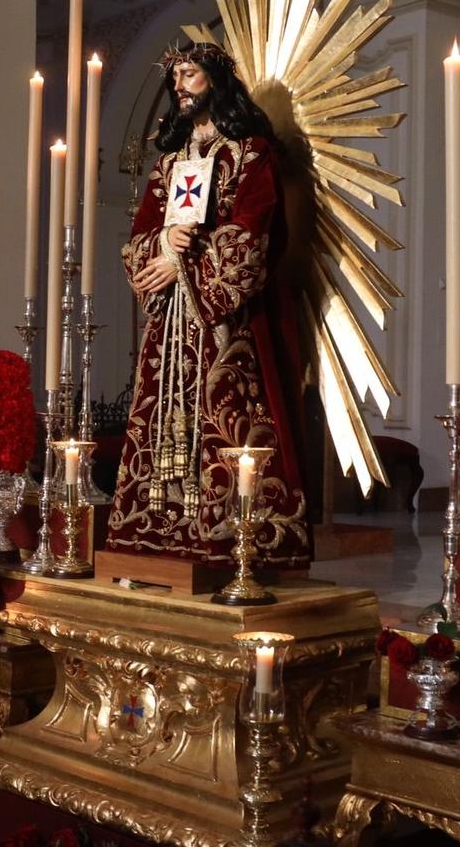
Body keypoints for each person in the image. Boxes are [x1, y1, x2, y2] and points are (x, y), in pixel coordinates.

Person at [105, 42, 311, 569]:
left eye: (189, 73)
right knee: (159, 417)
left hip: (225, 323)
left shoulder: (251, 153)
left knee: (228, 417)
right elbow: (137, 239)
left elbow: (252, 237)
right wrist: (161, 247)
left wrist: (185, 260)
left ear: (215, 80)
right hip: (170, 323)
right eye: (174, 75)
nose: (179, 84)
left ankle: (234, 539)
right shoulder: (169, 163)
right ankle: (156, 529)